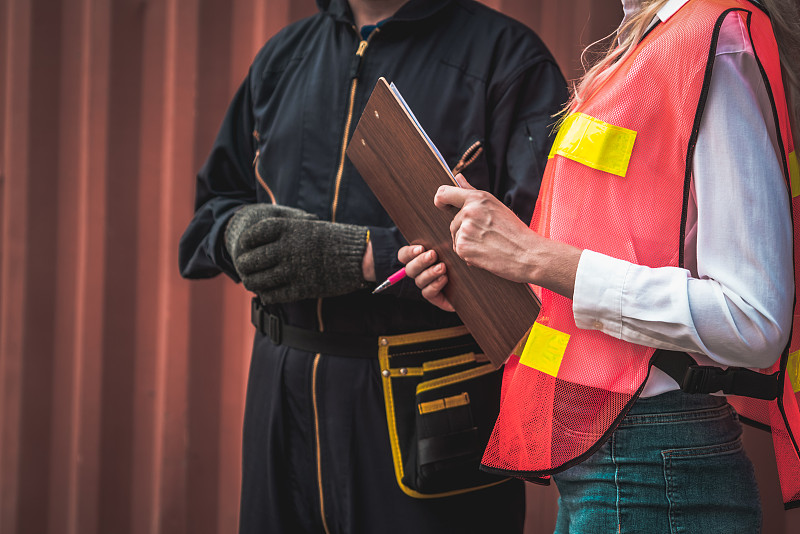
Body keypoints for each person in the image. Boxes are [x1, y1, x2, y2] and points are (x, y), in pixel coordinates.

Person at [400, 0, 800, 531]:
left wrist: (532, 255)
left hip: (652, 467)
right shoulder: (646, 42)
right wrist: (485, 276)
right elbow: (610, 257)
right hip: (609, 459)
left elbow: (753, 320)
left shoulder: (711, 40)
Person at [178, 0, 568, 532]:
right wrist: (236, 235)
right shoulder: (283, 57)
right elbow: (213, 207)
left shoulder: (508, 59)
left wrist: (366, 256)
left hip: (425, 410)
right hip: (281, 402)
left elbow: (540, 254)